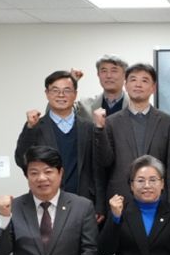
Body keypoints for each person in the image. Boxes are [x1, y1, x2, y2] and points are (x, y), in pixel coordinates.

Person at [15, 70, 105, 221]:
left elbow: (98, 169)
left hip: (83, 201)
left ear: (75, 94)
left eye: (67, 90)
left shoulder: (88, 127)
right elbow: (21, 160)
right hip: (46, 202)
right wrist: (30, 128)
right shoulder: (36, 126)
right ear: (47, 94)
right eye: (55, 90)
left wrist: (100, 204)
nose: (61, 95)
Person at [93, 63, 170, 209]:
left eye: (144, 80)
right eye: (133, 80)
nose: (138, 84)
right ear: (126, 85)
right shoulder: (111, 122)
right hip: (120, 201)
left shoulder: (168, 122)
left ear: (153, 88)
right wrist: (99, 130)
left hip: (158, 202)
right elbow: (103, 164)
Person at [76, 54, 129, 120]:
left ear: (125, 75)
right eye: (104, 71)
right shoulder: (85, 106)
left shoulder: (136, 104)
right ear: (98, 74)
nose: (108, 76)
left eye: (114, 71)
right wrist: (73, 81)